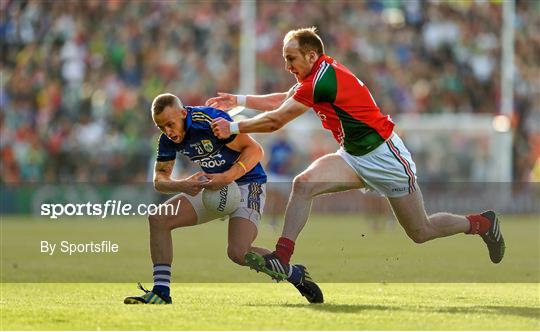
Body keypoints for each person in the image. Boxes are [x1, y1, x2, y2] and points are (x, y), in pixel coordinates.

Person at [206, 27, 505, 282]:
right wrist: (239, 100)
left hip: (386, 157)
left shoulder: (322, 80)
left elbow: (277, 120)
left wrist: (233, 126)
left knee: (420, 231)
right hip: (352, 156)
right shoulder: (315, 76)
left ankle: (482, 223)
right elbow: (283, 101)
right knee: (303, 184)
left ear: (311, 55)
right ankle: (283, 256)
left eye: (291, 59)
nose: (287, 66)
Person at [123, 93, 322, 304]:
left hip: (248, 183)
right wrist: (182, 185)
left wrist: (226, 177)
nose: (168, 132)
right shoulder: (167, 139)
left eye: (171, 124)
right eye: (162, 127)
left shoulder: (210, 121)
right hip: (215, 188)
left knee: (238, 252)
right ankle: (161, 293)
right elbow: (159, 181)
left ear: (183, 113)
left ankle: (295, 274)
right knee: (159, 218)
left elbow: (255, 150)